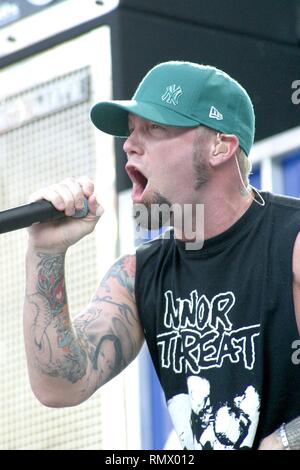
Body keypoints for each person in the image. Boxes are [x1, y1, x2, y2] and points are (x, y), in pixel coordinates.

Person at [23, 61, 300, 450]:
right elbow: (60, 385)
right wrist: (46, 252)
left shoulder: (291, 241)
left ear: (221, 145)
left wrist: (282, 443)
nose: (129, 144)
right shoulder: (140, 273)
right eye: (131, 131)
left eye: (155, 128)